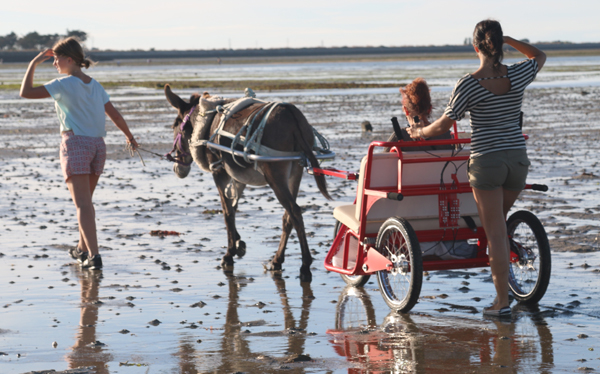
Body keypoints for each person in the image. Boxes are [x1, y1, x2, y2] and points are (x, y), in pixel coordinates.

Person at [407, 20, 546, 317]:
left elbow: (444, 124)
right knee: (499, 224)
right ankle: (504, 282)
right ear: (500, 45)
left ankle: (501, 303)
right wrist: (511, 39)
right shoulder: (518, 73)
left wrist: (419, 134)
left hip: (487, 162)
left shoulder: (468, 84)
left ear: (475, 47)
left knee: (495, 233)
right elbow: (539, 56)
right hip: (517, 162)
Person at [20, 37, 139, 270]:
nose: (54, 63)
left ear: (70, 59)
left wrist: (34, 62)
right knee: (86, 204)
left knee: (83, 205)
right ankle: (81, 249)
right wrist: (129, 136)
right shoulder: (95, 84)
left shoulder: (64, 83)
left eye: (56, 59)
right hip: (98, 146)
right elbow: (114, 115)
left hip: (75, 144)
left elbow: (26, 92)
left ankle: (94, 256)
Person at [386, 77, 453, 151]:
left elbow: (378, 160)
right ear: (430, 109)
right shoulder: (448, 135)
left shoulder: (400, 136)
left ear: (406, 110)